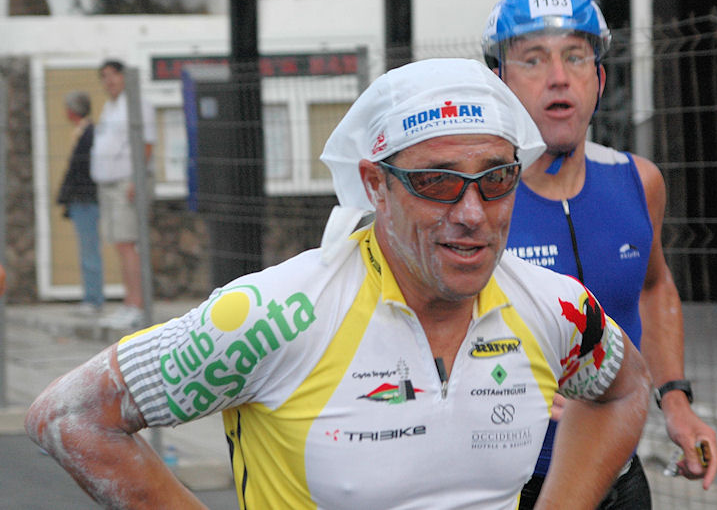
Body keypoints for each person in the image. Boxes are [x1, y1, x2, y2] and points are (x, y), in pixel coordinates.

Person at [26, 58, 650, 510]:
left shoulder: (557, 307)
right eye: (436, 181)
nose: (471, 212)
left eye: (496, 178)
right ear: (375, 185)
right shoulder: (276, 313)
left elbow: (625, 391)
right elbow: (69, 416)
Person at [481, 0, 717, 508]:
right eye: (533, 60)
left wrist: (675, 400)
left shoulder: (639, 182)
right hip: (511, 487)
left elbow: (653, 288)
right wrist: (508, 382)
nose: (558, 77)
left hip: (620, 478)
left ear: (599, 78)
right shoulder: (474, 202)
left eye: (575, 57)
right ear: (499, 81)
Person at [91, 59, 155, 329]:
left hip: (127, 182)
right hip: (108, 183)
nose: (109, 82)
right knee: (119, 244)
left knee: (128, 244)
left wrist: (136, 180)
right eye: (104, 77)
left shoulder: (137, 104)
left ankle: (137, 305)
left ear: (124, 77)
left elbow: (147, 144)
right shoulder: (110, 107)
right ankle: (129, 302)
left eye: (113, 75)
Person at [57, 90, 104, 315]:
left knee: (89, 250)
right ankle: (91, 296)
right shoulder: (82, 132)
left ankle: (93, 299)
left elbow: (81, 171)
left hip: (85, 200)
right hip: (80, 200)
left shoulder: (88, 134)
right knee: (87, 250)